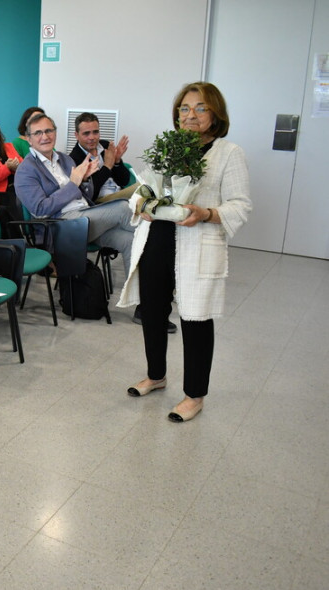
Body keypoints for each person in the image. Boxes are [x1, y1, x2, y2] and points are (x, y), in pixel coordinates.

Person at [118, 81, 251, 423]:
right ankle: (156, 375)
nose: (191, 115)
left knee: (195, 320)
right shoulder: (166, 147)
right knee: (152, 312)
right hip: (156, 241)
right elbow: (140, 189)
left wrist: (207, 213)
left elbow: (240, 205)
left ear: (215, 113)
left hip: (197, 244)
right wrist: (142, 205)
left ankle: (194, 395)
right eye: (184, 109)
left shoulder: (228, 153)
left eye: (200, 108)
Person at [14, 113, 135, 276]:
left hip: (85, 218)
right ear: (29, 139)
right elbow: (40, 208)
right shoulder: (25, 170)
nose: (45, 136)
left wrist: (84, 181)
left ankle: (135, 299)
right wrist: (73, 184)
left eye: (49, 131)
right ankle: (158, 237)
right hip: (60, 226)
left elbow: (85, 195)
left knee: (130, 241)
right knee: (124, 207)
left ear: (55, 133)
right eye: (38, 133)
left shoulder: (64, 159)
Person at [69, 112, 136, 203]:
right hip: (101, 201)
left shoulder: (105, 146)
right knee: (144, 189)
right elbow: (89, 195)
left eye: (95, 132)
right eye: (86, 133)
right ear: (76, 135)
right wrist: (107, 166)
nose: (92, 137)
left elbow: (124, 181)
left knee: (147, 192)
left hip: (119, 192)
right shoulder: (73, 159)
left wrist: (117, 162)